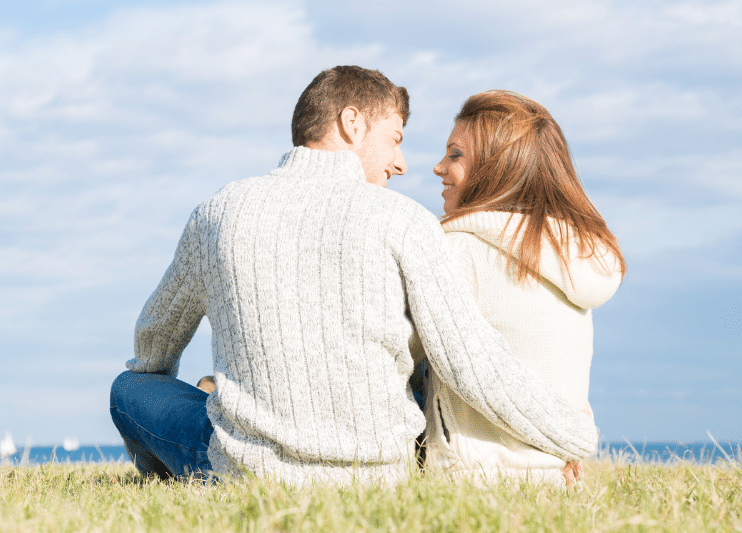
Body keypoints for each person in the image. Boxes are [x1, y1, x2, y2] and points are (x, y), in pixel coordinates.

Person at [109, 66, 599, 486]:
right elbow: (472, 363)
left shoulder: (217, 212)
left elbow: (154, 344)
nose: (402, 163)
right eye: (395, 138)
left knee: (130, 388)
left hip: (251, 472)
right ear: (351, 122)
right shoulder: (407, 221)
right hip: (379, 474)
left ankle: (175, 480)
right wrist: (572, 435)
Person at [427, 90, 625, 486]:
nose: (438, 167)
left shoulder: (458, 251)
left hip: (470, 479)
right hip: (557, 478)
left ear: (496, 168)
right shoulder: (572, 255)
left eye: (455, 155)